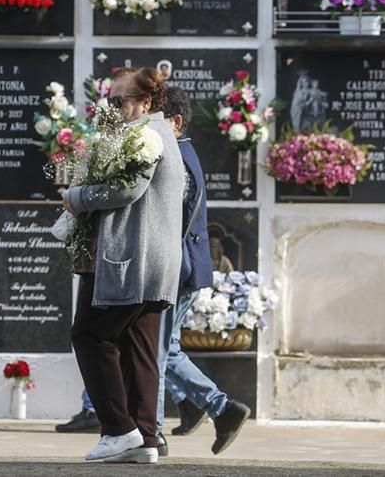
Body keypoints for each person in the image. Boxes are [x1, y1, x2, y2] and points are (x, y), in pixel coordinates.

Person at [64, 67, 184, 465]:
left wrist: (78, 196)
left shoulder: (146, 135)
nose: (113, 107)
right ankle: (145, 438)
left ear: (145, 102)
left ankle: (119, 430)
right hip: (151, 263)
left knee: (89, 335)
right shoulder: (156, 132)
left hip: (132, 263)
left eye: (120, 100)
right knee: (138, 349)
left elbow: (127, 189)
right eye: (109, 100)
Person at [158, 88, 251, 454]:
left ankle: (157, 431)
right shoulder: (182, 151)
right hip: (184, 266)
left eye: (157, 118)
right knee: (166, 349)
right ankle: (215, 408)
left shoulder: (177, 157)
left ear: (176, 121)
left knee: (156, 353)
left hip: (177, 269)